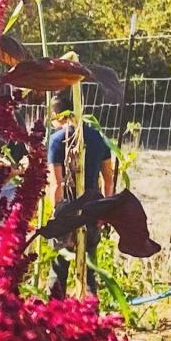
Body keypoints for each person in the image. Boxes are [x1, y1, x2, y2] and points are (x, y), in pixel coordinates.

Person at [46, 93, 116, 296]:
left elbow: (56, 184)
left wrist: (56, 213)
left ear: (57, 116)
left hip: (67, 210)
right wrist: (105, 210)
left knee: (59, 268)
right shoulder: (97, 138)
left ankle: (54, 312)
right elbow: (108, 179)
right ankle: (91, 311)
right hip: (92, 209)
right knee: (89, 269)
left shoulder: (57, 140)